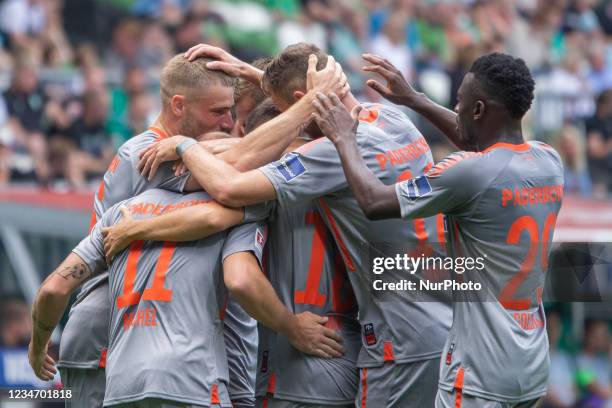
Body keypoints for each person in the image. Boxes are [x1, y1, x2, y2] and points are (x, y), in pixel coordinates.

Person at [135, 42, 452, 408]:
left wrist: (183, 146)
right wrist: (258, 76)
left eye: (291, 114)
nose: (291, 125)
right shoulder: (390, 119)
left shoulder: (332, 151)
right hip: (443, 319)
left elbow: (230, 184)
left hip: (398, 340)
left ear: (306, 99)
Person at [52, 51, 345, 408]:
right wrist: (312, 102)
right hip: (114, 330)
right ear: (178, 105)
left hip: (153, 337)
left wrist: (259, 79)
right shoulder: (148, 154)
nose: (227, 122)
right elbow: (232, 172)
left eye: (233, 113)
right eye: (218, 111)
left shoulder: (176, 151)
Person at [311, 52, 564, 407]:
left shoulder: (466, 171)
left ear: (478, 110)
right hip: (531, 364)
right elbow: (483, 148)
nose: (455, 108)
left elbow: (372, 201)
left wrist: (343, 138)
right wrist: (415, 99)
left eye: (459, 102)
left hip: (479, 372)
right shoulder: (548, 161)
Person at [103, 98, 362, 408]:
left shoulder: (264, 189)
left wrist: (185, 149)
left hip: (297, 358)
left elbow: (234, 262)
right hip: (349, 349)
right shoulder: (345, 166)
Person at [29, 188, 341, 407]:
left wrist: (38, 345)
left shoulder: (120, 213)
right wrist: (293, 327)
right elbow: (241, 280)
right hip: (190, 381)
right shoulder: (232, 209)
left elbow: (53, 289)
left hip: (121, 384)